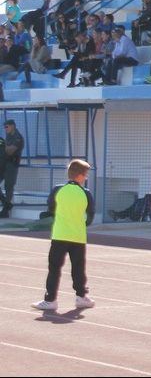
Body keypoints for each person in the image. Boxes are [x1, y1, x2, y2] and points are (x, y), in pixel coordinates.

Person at [32, 158, 96, 311]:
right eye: (85, 174)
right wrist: (80, 223)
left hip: (60, 235)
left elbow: (51, 209)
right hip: (78, 237)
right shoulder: (86, 193)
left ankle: (50, 299)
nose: (86, 177)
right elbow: (90, 217)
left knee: (54, 268)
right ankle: (81, 297)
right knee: (78, 268)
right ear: (79, 176)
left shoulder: (57, 190)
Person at [0, 119, 24, 218]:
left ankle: (6, 208)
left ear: (13, 126)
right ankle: (6, 203)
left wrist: (4, 145)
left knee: (8, 187)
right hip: (4, 164)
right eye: (4, 127)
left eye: (7, 127)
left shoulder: (17, 137)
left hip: (12, 165)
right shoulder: (8, 136)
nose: (5, 129)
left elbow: (10, 151)